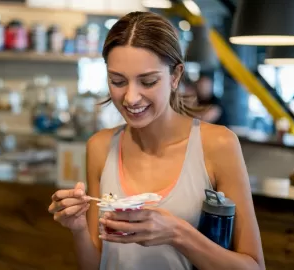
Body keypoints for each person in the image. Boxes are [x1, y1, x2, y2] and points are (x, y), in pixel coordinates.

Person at [48, 12, 265, 270]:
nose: (130, 97)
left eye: (148, 81)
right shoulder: (100, 146)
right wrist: (79, 229)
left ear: (175, 76)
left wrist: (177, 233)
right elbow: (96, 264)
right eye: (117, 81)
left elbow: (254, 267)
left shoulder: (218, 145)